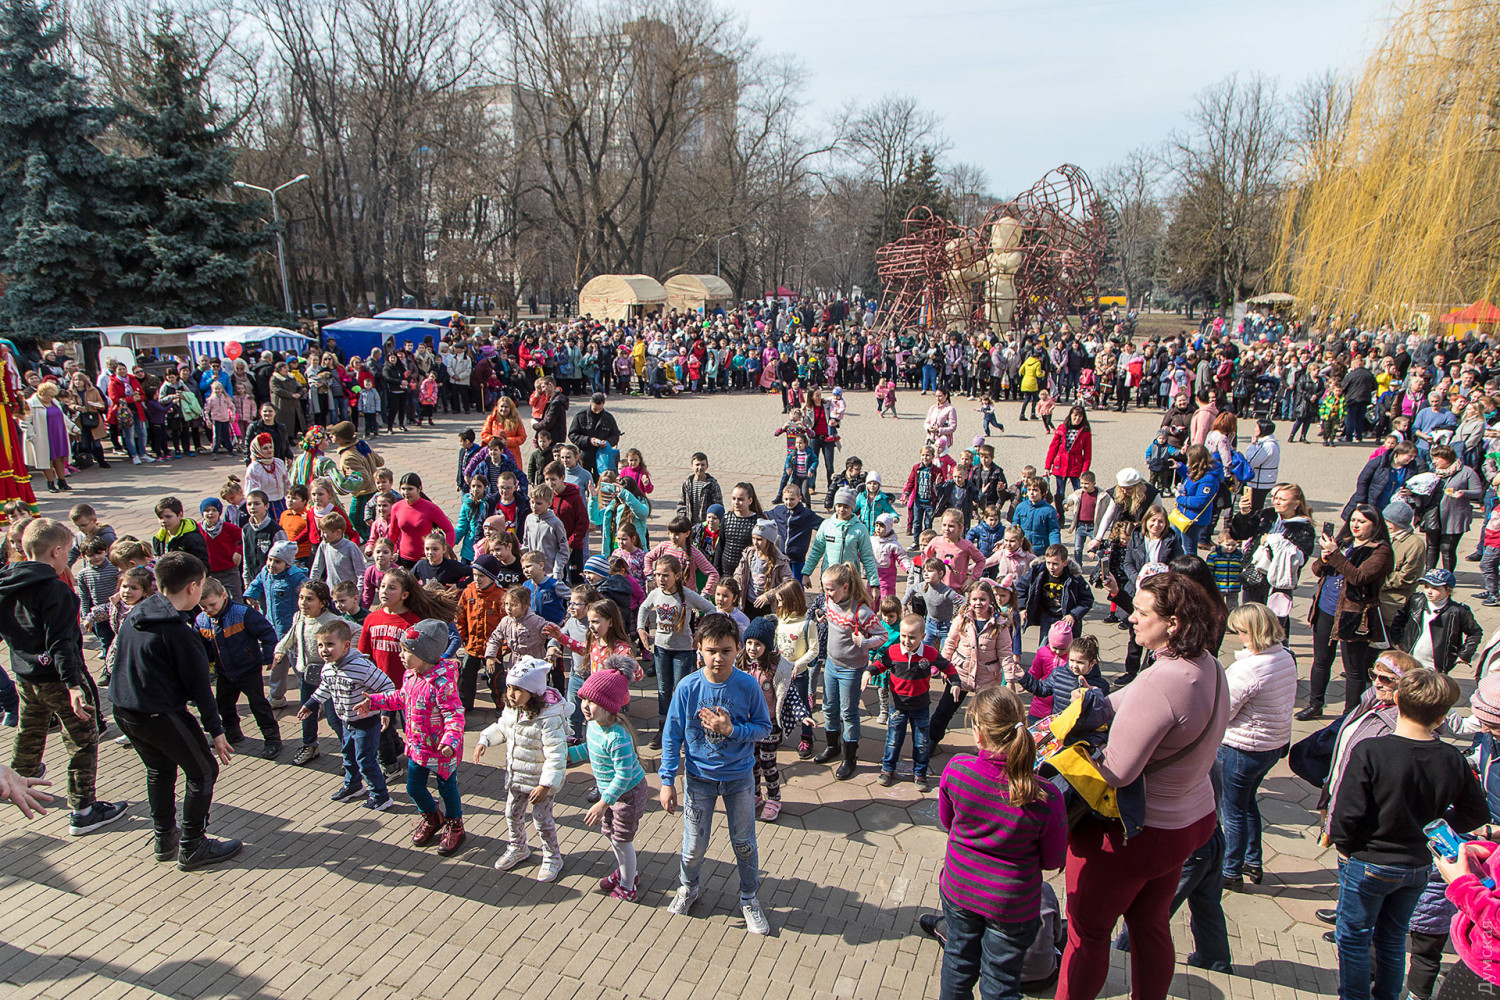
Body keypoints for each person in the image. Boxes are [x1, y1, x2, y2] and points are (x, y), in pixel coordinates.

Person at [1057, 572, 1230, 1000]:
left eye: (1142, 612)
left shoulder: (1162, 681)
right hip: (1190, 820)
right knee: (1150, 923)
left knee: (1087, 932)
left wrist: (1066, 750)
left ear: (1173, 623)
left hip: (1139, 833)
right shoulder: (1207, 664)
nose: (1131, 618)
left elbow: (1116, 772)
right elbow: (1127, 700)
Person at [1331, 668, 1486, 1000]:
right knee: (1392, 937)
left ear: (1397, 699)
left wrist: (1346, 847)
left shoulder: (1371, 751)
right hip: (1416, 865)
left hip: (1369, 861)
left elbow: (1346, 814)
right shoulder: (1451, 758)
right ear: (1443, 717)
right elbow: (1476, 813)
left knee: (1354, 937)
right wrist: (1432, 825)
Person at [110, 552, 241, 869]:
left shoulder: (139, 612)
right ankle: (194, 845)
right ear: (194, 587)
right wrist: (217, 731)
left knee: (160, 768)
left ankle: (165, 837)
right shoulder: (179, 633)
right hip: (158, 713)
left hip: (124, 708)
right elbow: (200, 688)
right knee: (204, 771)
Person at [936, 685, 1067, 1000]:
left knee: (957, 961)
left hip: (959, 888)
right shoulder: (1046, 795)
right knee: (1000, 982)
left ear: (979, 734)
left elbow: (948, 822)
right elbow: (1052, 860)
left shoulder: (957, 770)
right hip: (1011, 902)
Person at [0, 518, 128, 835]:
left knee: (30, 730)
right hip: (60, 679)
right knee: (82, 741)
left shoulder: (4, 582)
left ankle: (16, 782)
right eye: (68, 551)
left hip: (26, 677)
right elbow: (62, 643)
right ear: (56, 551)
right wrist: (74, 686)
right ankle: (84, 810)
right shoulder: (56, 589)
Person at [658, 612, 774, 935]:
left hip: (739, 777)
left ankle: (749, 897)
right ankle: (688, 887)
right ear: (699, 650)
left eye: (725, 650)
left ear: (738, 648)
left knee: (744, 842)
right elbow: (672, 734)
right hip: (699, 779)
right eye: (711, 651)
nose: (718, 658)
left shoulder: (748, 685)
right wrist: (667, 780)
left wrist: (731, 729)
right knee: (694, 844)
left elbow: (764, 727)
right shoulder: (687, 687)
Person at [359, 619, 466, 855]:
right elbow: (400, 698)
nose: (401, 655)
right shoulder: (411, 675)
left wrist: (450, 740)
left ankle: (455, 825)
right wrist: (375, 701)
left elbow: (455, 714)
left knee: (447, 790)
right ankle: (432, 816)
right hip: (418, 746)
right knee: (413, 787)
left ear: (425, 654)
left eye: (406, 651)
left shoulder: (442, 682)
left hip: (441, 750)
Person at [1218, 603, 1297, 891]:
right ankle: (1253, 860)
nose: (1238, 637)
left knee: (1232, 810)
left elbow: (1223, 711)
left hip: (1241, 748)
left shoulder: (1247, 669)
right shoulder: (1286, 657)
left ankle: (1230, 869)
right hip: (1271, 746)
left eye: (1241, 632)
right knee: (1248, 803)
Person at [475, 657, 569, 881]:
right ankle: (518, 847)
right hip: (517, 777)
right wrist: (484, 740)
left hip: (539, 783)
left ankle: (552, 856)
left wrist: (546, 784)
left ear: (533, 692)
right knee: (512, 813)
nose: (510, 694)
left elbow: (556, 754)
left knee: (542, 820)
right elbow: (502, 728)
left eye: (517, 689)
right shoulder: (513, 709)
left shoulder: (549, 718)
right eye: (509, 687)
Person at [566, 657, 649, 900]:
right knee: (611, 835)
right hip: (611, 794)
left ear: (608, 705)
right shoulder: (594, 726)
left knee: (622, 840)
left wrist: (603, 803)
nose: (584, 705)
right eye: (584, 698)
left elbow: (623, 775)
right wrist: (568, 756)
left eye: (592, 701)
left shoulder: (617, 737)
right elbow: (590, 749)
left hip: (627, 795)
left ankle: (628, 886)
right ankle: (627, 872)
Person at [1303, 505, 1394, 719]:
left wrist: (1335, 555)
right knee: (1321, 660)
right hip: (1326, 608)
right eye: (1353, 520)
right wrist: (1325, 557)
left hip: (1354, 615)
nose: (1355, 525)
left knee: (1353, 668)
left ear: (1375, 524)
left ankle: (1351, 712)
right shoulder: (1344, 543)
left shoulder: (1381, 550)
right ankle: (1315, 704)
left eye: (1362, 521)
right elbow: (1317, 570)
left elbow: (1359, 577)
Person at [299, 618, 394, 810]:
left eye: (330, 645)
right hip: (346, 721)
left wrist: (383, 709)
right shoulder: (328, 667)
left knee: (366, 761)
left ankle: (381, 796)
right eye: (320, 645)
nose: (324, 650)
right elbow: (325, 687)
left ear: (346, 646)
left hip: (366, 723)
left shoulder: (361, 667)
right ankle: (353, 786)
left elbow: (387, 686)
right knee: (348, 757)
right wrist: (311, 703)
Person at [195, 577, 281, 760]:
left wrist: (268, 656)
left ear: (223, 595)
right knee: (224, 704)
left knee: (258, 705)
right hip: (224, 672)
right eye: (204, 607)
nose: (208, 610)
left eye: (212, 605)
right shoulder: (201, 620)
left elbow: (266, 632)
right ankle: (232, 732)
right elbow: (200, 646)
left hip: (248, 669)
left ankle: (272, 739)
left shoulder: (242, 613)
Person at [869, 612, 956, 792]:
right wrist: (868, 672)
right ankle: (887, 769)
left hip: (920, 706)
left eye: (912, 637)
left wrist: (955, 682)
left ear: (923, 637)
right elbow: (880, 665)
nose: (907, 641)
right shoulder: (893, 651)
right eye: (903, 636)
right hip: (897, 706)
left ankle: (920, 773)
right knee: (893, 739)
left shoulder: (930, 653)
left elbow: (947, 666)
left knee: (921, 742)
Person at [1398, 567, 1482, 675]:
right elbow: (1400, 618)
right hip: (1410, 659)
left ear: (1448, 590)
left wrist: (1464, 654)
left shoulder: (1458, 611)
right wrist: (1399, 641)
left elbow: (1475, 632)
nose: (1429, 591)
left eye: (1435, 588)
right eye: (1426, 587)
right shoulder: (1416, 600)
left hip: (1435, 665)